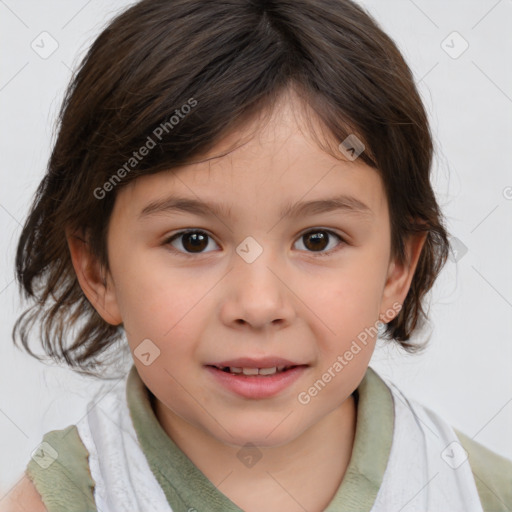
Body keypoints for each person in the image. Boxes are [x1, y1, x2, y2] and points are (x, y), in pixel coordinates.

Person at [3, 0, 511, 511]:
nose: (259, 303)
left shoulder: (473, 492)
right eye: (193, 240)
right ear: (99, 271)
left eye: (318, 240)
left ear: (396, 270)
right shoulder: (64, 499)